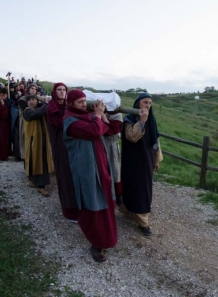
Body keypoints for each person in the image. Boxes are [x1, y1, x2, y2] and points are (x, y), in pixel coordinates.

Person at [63, 90, 117, 263]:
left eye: (84, 101)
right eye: (79, 102)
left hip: (100, 166)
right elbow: (95, 130)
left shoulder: (87, 117)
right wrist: (98, 115)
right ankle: (96, 243)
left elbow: (107, 129)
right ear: (71, 104)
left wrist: (100, 116)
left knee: (105, 201)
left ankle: (108, 237)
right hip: (86, 169)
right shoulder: (70, 121)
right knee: (92, 203)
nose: (83, 104)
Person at [120, 92, 163, 236]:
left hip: (146, 160)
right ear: (138, 103)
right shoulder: (129, 119)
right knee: (131, 186)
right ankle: (129, 212)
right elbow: (131, 137)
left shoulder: (151, 120)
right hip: (132, 161)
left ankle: (143, 221)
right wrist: (141, 122)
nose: (148, 106)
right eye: (145, 102)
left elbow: (155, 141)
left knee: (143, 190)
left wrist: (156, 159)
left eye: (150, 103)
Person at [46, 82, 80, 222]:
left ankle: (77, 206)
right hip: (60, 145)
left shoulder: (68, 106)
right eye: (59, 90)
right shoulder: (51, 107)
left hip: (71, 145)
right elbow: (60, 123)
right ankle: (69, 209)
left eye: (64, 90)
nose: (62, 92)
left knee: (74, 174)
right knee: (64, 175)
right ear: (55, 92)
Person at [23, 94, 54, 196]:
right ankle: (40, 186)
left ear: (37, 101)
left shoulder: (41, 109)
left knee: (42, 161)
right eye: (30, 100)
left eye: (34, 99)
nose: (32, 102)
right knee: (35, 160)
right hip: (33, 141)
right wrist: (46, 103)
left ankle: (36, 181)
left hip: (43, 140)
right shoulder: (27, 111)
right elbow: (36, 114)